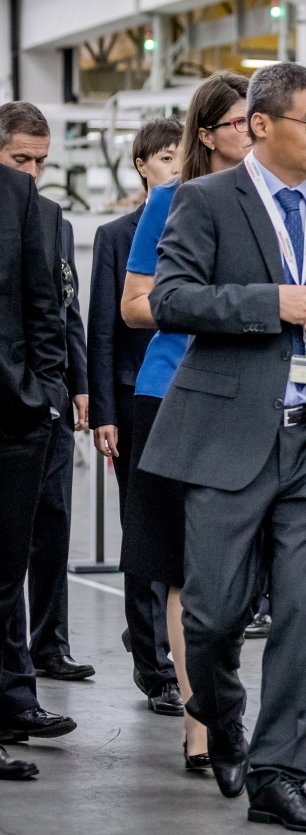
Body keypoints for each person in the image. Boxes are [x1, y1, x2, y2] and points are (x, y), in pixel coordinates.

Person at [142, 62, 306, 832]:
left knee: (303, 616)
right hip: (227, 437)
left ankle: (278, 776)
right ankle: (221, 712)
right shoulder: (202, 201)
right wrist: (269, 304)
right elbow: (168, 298)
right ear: (263, 125)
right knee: (209, 616)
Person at [119, 71, 251, 766]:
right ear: (207, 133)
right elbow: (135, 304)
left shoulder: (279, 202)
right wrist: (218, 306)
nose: (252, 131)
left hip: (254, 398)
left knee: (237, 577)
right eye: (237, 122)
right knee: (183, 572)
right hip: (174, 396)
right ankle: (202, 726)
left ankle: (225, 709)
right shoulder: (171, 200)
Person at [88, 116, 184, 716]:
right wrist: (103, 410)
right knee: (145, 535)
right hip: (130, 395)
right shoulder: (117, 235)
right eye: (164, 157)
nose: (174, 165)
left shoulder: (204, 220)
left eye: (181, 155)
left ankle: (169, 646)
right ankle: (153, 666)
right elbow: (104, 326)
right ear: (143, 165)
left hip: (189, 392)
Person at [0, 102, 95, 683]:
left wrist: (71, 388)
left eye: (40, 161)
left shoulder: (53, 217)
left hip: (44, 397)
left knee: (52, 522)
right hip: (13, 394)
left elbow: (64, 308)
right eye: (19, 159)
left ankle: (48, 645)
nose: (32, 172)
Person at [0, 158, 66, 781]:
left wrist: (44, 393)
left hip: (13, 416)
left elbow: (41, 301)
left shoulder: (16, 192)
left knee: (3, 574)